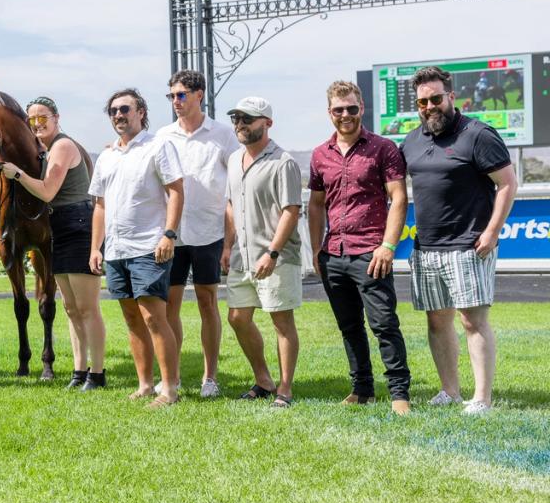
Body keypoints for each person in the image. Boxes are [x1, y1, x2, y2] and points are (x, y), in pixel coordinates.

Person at [401, 66, 518, 415]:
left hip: (469, 246)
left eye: (436, 99)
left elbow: (507, 183)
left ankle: (481, 398)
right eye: (422, 102)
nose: (429, 106)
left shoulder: (478, 134)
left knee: (472, 320)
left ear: (451, 97)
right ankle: (450, 391)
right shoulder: (411, 141)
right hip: (427, 248)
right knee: (437, 321)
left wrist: (492, 232)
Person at [308, 81, 411, 415]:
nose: (346, 115)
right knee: (349, 327)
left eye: (352, 108)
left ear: (361, 108)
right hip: (334, 253)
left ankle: (399, 393)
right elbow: (315, 204)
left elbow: (399, 198)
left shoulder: (383, 148)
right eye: (339, 109)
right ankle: (362, 389)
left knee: (384, 325)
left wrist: (388, 246)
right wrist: (316, 249)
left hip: (371, 252)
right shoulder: (320, 155)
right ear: (330, 112)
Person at [0, 96, 106, 391]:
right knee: (71, 308)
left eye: (42, 117)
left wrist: (17, 174)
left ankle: (97, 373)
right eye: (31, 120)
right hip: (60, 226)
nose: (37, 124)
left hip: (78, 225)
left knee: (87, 308)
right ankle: (79, 370)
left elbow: (47, 192)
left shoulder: (63, 146)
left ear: (56, 118)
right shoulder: (46, 150)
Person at [89, 88, 184, 409]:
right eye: (113, 111)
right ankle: (144, 384)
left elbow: (176, 191)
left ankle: (169, 389)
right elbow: (100, 206)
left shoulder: (158, 146)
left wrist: (169, 234)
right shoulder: (106, 156)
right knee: (132, 319)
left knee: (154, 318)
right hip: (116, 251)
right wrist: (96, 247)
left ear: (141, 112)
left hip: (149, 247)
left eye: (125, 109)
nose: (118, 115)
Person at [156, 70, 240, 398]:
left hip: (210, 232)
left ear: (199, 94)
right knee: (169, 307)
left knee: (208, 302)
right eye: (171, 96)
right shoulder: (163, 136)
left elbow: (235, 188)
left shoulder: (223, 134)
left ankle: (210, 378)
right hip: (172, 234)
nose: (175, 101)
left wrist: (229, 243)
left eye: (181, 95)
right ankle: (172, 377)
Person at [223, 96, 302, 409]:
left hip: (275, 257)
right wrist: (227, 246)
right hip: (241, 257)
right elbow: (231, 205)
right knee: (237, 318)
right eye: (236, 119)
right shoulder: (233, 160)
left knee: (282, 323)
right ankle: (264, 380)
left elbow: (291, 210)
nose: (240, 125)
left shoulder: (283, 162)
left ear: (267, 123)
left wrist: (272, 252)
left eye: (248, 119)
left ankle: (285, 389)